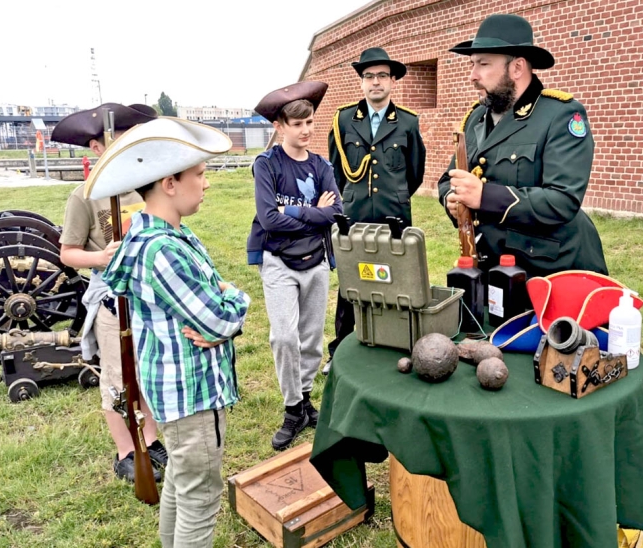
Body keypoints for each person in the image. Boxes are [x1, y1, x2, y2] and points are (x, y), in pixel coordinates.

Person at [94, 117, 250, 547]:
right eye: (198, 175)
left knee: (183, 485)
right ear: (168, 183)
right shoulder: (162, 250)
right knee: (200, 496)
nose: (206, 183)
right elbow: (218, 317)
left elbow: (214, 305)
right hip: (191, 395)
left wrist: (221, 303)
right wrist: (237, 301)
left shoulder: (165, 233)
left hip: (179, 392)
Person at [438, 14, 608, 278]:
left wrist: (484, 196)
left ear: (517, 68)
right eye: (473, 64)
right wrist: (451, 198)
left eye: (483, 64)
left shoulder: (560, 115)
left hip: (550, 271)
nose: (473, 75)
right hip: (490, 265)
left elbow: (563, 200)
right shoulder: (476, 117)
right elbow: (448, 179)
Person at [53, 103, 167, 482]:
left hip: (148, 296)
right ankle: (126, 447)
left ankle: (150, 438)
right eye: (114, 138)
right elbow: (67, 254)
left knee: (147, 371)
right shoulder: (83, 196)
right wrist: (100, 257)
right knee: (119, 379)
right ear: (97, 147)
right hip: (110, 300)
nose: (123, 144)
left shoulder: (144, 184)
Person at [247, 81, 343, 450]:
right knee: (284, 336)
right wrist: (312, 213)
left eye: (310, 123)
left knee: (311, 338)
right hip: (278, 262)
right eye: (297, 123)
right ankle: (292, 408)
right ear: (280, 126)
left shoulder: (321, 165)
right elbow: (269, 219)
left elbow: (334, 212)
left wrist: (298, 212)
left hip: (316, 259)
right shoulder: (267, 165)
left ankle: (305, 400)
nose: (305, 130)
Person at [325, 47, 426, 373]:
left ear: (392, 81)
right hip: (355, 215)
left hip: (392, 214)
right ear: (362, 82)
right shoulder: (343, 120)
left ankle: (395, 343)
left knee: (399, 279)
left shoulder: (408, 122)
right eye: (369, 76)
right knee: (352, 280)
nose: (376, 82)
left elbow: (414, 172)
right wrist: (354, 197)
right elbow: (338, 170)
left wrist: (395, 196)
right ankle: (340, 349)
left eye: (382, 76)